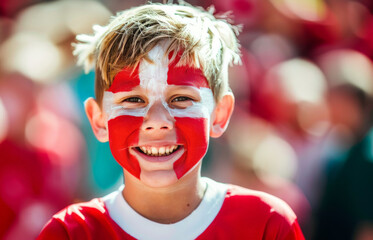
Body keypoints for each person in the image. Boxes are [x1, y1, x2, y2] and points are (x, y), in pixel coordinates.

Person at [37, 2, 305, 239]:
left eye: (180, 99)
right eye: (133, 100)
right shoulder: (71, 233)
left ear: (219, 114)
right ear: (99, 120)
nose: (156, 121)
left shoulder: (265, 225)